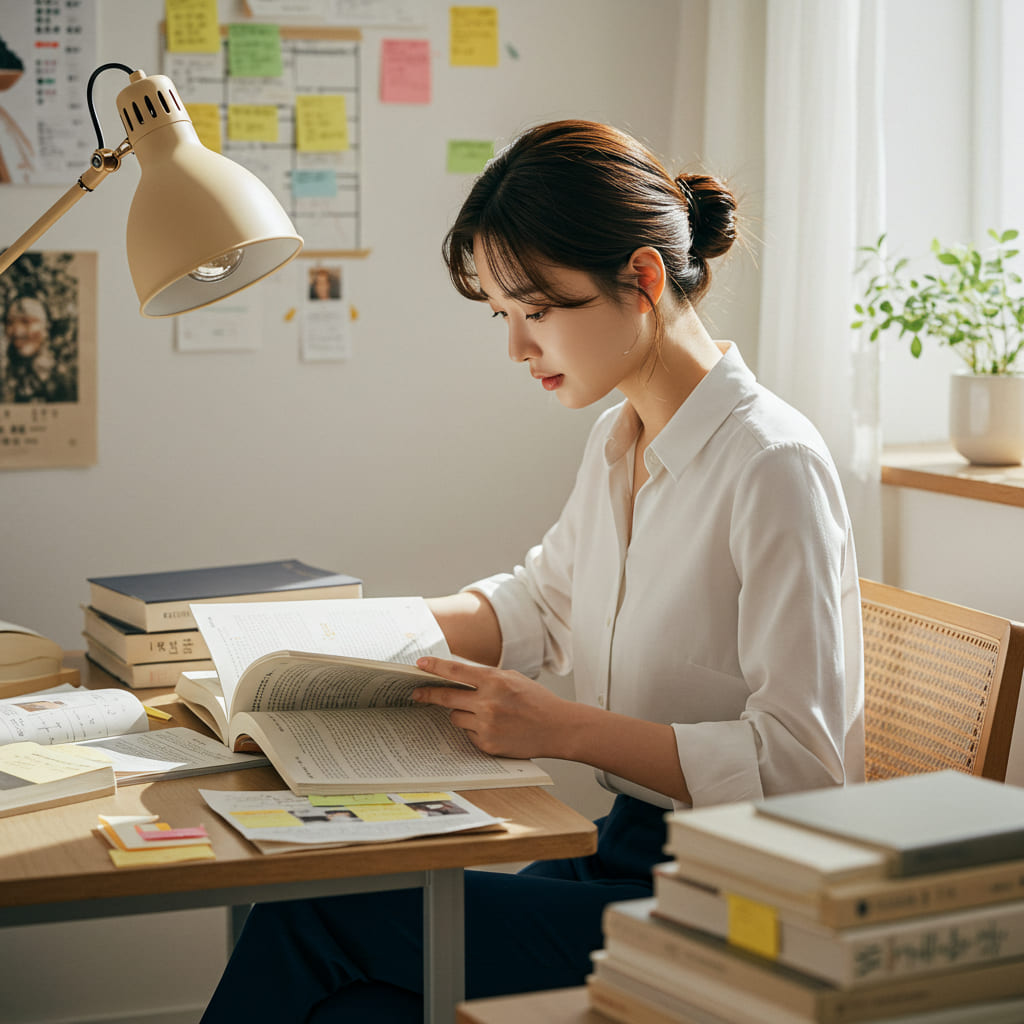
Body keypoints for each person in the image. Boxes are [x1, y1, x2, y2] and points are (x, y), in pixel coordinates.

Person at [200, 119, 864, 1023]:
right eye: (503, 318)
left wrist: (564, 729)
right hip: (621, 854)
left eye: (538, 313)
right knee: (357, 994)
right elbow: (539, 605)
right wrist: (321, 642)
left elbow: (800, 769)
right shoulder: (620, 437)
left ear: (643, 279)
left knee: (322, 916)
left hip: (742, 902)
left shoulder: (771, 465)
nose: (517, 350)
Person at [1, 295, 76, 403]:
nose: (17, 332)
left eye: (26, 321)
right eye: (10, 322)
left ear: (47, 327)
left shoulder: (67, 381)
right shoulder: (4, 380)